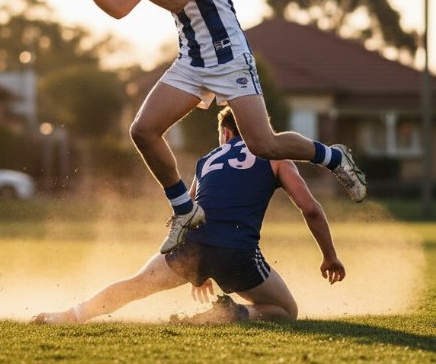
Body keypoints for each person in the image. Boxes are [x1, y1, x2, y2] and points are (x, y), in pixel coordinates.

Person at [60, 0, 366, 254]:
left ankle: (334, 156)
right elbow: (121, 8)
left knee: (265, 145)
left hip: (229, 58)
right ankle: (184, 210)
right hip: (192, 61)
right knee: (142, 130)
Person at [32, 107, 346, 325]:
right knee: (285, 311)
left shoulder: (206, 160)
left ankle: (69, 316)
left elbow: (187, 213)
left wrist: (197, 269)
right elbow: (310, 209)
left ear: (225, 132)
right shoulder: (275, 155)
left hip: (190, 247)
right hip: (238, 253)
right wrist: (330, 256)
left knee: (134, 285)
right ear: (259, 128)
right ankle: (233, 315)